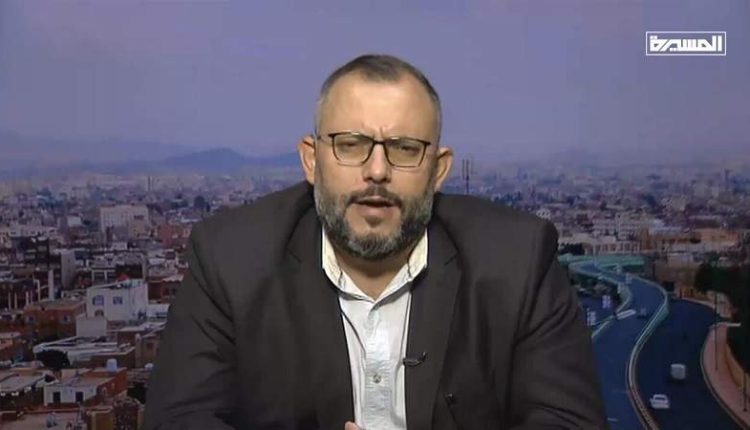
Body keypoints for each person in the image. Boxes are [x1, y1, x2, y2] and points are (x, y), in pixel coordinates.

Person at [142, 54, 607, 430]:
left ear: (439, 169)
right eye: (350, 144)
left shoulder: (518, 260)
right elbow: (178, 420)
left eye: (404, 148)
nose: (377, 171)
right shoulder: (229, 259)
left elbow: (569, 422)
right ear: (311, 160)